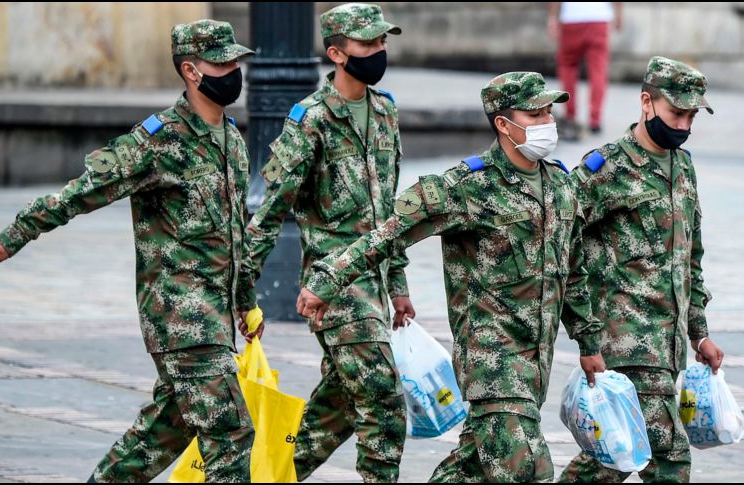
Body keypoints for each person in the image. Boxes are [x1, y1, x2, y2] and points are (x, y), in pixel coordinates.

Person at [0, 19, 257, 483]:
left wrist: (245, 304)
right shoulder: (156, 140)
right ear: (191, 70)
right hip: (180, 316)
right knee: (230, 434)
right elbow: (84, 190)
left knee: (160, 437)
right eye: (221, 62)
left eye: (234, 61)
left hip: (215, 316)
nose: (232, 70)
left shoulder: (231, 139)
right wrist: (15, 234)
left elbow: (235, 237)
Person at [298, 71, 606, 482]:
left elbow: (574, 271)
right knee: (527, 469)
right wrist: (327, 280)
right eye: (534, 115)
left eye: (549, 112)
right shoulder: (468, 187)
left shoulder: (560, 187)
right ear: (503, 123)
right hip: (489, 361)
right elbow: (389, 235)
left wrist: (588, 343)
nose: (547, 122)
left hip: (535, 365)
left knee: (472, 469)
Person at [234, 3, 414, 483]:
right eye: (367, 44)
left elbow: (389, 210)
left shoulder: (385, 111)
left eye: (382, 43)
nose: (378, 52)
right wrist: (242, 292)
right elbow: (269, 211)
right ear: (336, 53)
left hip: (374, 284)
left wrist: (397, 285)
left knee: (334, 412)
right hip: (333, 286)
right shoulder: (309, 119)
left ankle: (265, 478)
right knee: (384, 404)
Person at [558, 56, 725, 483]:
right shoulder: (606, 167)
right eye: (677, 113)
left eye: (691, 116)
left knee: (610, 459)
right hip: (624, 343)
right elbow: (557, 236)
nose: (684, 125)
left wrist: (698, 331)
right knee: (669, 459)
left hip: (667, 347)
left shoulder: (680, 165)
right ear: (646, 102)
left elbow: (690, 256)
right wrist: (585, 331)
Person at [548, 2, 623, 139]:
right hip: (599, 18)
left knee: (568, 67)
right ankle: (595, 120)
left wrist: (553, 17)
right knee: (598, 70)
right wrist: (619, 15)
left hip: (571, 18)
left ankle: (570, 116)